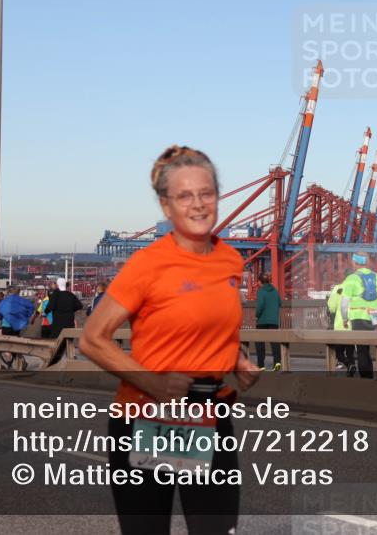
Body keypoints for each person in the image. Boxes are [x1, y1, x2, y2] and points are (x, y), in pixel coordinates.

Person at [80, 145, 260, 534]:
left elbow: (209, 325)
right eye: (184, 196)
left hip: (211, 415)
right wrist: (153, 382)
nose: (198, 205)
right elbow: (93, 339)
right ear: (166, 207)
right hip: (145, 418)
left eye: (206, 193)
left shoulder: (230, 260)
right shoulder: (148, 263)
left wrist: (236, 358)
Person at [339, 252, 377, 379]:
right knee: (375, 348)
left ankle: (367, 380)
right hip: (375, 316)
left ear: (355, 263)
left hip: (358, 315)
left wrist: (345, 319)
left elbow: (344, 304)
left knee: (362, 349)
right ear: (366, 262)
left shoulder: (351, 279)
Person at [0, 285, 36, 367]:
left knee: (5, 344)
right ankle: (20, 360)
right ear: (18, 292)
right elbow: (31, 306)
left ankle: (9, 359)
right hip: (17, 326)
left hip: (6, 325)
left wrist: (1, 317)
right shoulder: (22, 300)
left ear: (10, 292)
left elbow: (0, 311)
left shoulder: (5, 301)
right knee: (15, 344)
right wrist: (27, 316)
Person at [253, 273, 282, 371]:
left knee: (260, 343)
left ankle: (261, 365)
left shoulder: (261, 291)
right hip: (274, 321)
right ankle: (277, 363)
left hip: (262, 321)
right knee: (275, 343)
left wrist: (257, 315)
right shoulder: (275, 291)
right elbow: (280, 303)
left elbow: (260, 305)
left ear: (260, 282)